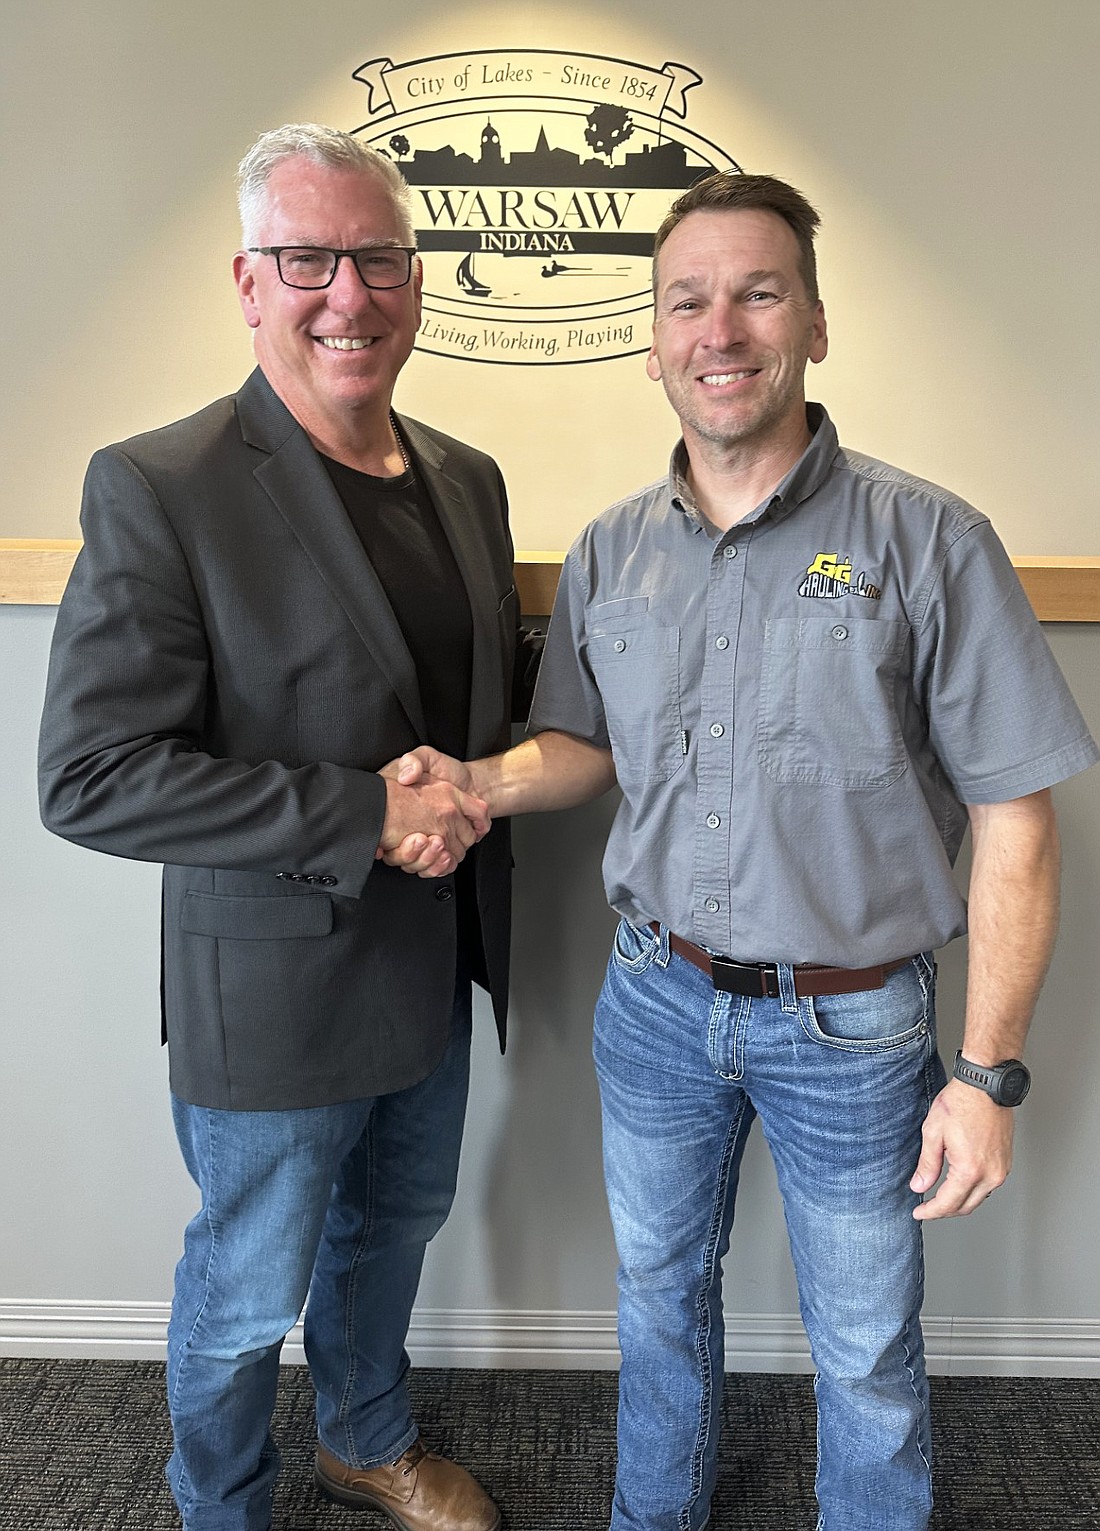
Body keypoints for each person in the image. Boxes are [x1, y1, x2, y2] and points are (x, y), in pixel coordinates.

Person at [381, 172, 1098, 1530]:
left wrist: (989, 1072)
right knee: (657, 1302)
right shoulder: (609, 554)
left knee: (868, 1352)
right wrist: (475, 780)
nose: (722, 330)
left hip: (855, 1020)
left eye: (759, 294)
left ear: (815, 324)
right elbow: (585, 748)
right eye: (688, 302)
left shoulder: (928, 540)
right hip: (655, 998)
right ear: (652, 343)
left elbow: (1018, 815)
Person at [38, 124, 538, 1531]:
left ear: (416, 281)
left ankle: (365, 1438)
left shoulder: (467, 477)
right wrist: (363, 812)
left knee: (395, 1230)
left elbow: (470, 710)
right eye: (309, 259)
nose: (348, 295)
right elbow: (92, 774)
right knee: (247, 1284)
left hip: (435, 959)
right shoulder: (163, 483)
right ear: (248, 282)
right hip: (269, 987)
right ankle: (223, 1504)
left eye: (378, 259)